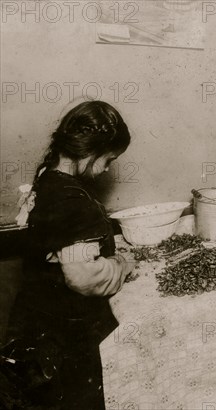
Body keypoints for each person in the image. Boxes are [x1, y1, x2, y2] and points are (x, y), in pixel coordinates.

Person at [6, 101, 135, 409]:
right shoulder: (76, 203)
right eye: (108, 159)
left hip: (32, 319)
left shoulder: (47, 174)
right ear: (91, 151)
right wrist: (122, 263)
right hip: (64, 336)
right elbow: (83, 278)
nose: (106, 169)